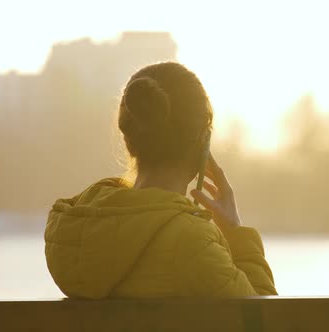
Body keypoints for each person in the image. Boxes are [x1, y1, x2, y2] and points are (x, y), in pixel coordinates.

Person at [44, 62, 277, 298]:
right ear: (202, 143)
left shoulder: (73, 229)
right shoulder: (192, 244)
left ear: (129, 140)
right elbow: (264, 321)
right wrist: (235, 232)